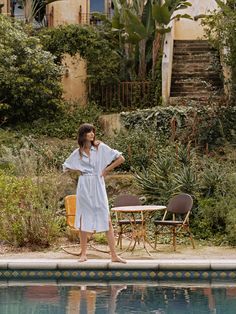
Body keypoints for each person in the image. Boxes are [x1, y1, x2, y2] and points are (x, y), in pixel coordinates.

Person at [63, 123, 126, 263]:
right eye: (88, 132)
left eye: (93, 131)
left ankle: (114, 255)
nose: (92, 134)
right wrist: (78, 170)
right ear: (83, 135)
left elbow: (121, 158)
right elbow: (66, 166)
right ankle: (84, 254)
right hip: (84, 185)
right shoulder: (77, 153)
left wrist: (106, 170)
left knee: (106, 218)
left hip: (98, 184)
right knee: (84, 218)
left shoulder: (100, 148)